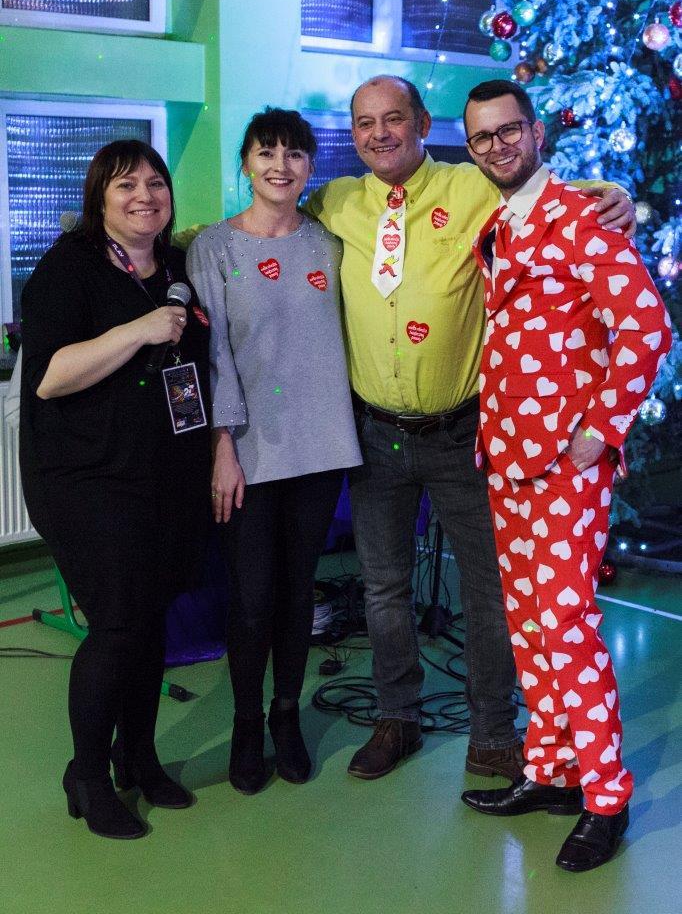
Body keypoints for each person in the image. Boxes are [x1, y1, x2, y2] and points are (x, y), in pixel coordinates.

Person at [305, 74, 636, 782]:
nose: (380, 134)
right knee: (383, 588)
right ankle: (397, 719)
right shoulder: (333, 202)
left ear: (424, 124)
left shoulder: (472, 186)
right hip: (375, 434)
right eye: (364, 123)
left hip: (464, 433)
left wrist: (615, 192)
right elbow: (258, 223)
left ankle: (493, 732)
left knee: (489, 590)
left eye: (394, 118)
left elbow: (544, 190)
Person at [459, 79, 671, 872]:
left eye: (509, 130)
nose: (498, 146)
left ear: (537, 132)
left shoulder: (581, 216)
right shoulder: (499, 224)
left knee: (567, 624)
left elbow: (647, 326)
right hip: (506, 455)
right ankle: (550, 769)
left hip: (565, 464)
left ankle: (606, 796)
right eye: (483, 137)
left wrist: (600, 431)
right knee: (530, 624)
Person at [20, 140, 211, 840]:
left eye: (155, 184)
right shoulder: (68, 269)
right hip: (86, 478)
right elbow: (50, 377)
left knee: (151, 618)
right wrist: (139, 330)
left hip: (163, 474)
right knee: (119, 624)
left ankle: (140, 758)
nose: (144, 197)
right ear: (99, 197)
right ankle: (88, 775)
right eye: (126, 185)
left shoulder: (177, 268)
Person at [186, 108, 362, 795]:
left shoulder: (330, 243)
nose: (280, 166)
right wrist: (222, 445)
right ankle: (246, 723)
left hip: (320, 446)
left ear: (310, 167)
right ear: (246, 162)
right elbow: (211, 355)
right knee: (252, 596)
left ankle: (286, 715)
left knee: (296, 593)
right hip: (248, 450)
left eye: (294, 154)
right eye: (266, 152)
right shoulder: (214, 248)